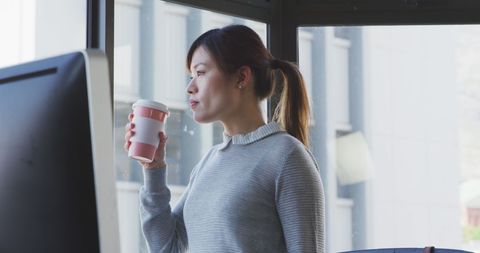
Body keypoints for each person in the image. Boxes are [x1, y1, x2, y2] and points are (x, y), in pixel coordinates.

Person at [124, 24, 325, 253]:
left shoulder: (288, 157)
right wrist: (153, 169)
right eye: (191, 76)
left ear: (242, 77)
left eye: (200, 73)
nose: (190, 87)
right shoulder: (209, 162)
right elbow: (167, 248)